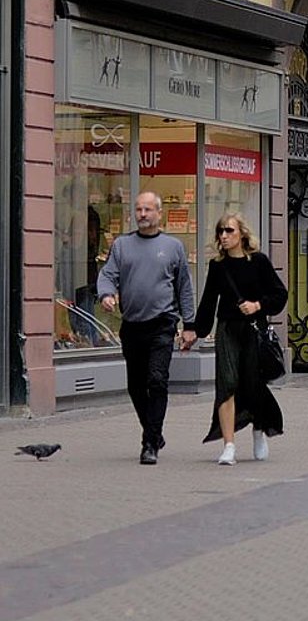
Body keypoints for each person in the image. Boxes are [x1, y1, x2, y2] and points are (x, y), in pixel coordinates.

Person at [96, 190, 194, 465]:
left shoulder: (173, 246)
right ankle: (154, 429)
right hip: (133, 324)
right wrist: (106, 295)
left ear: (158, 213)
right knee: (136, 385)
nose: (143, 215)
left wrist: (190, 324)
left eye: (148, 210)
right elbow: (108, 275)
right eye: (139, 210)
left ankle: (150, 443)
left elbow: (184, 287)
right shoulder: (122, 246)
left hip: (162, 323)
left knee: (156, 379)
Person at [181, 214, 285, 466]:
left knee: (252, 383)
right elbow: (208, 301)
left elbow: (280, 294)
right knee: (226, 384)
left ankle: (259, 430)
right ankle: (228, 445)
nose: (224, 236)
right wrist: (194, 330)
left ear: (242, 234)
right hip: (227, 330)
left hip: (253, 329)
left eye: (229, 231)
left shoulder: (258, 262)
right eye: (220, 232)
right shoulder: (218, 266)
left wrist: (258, 305)